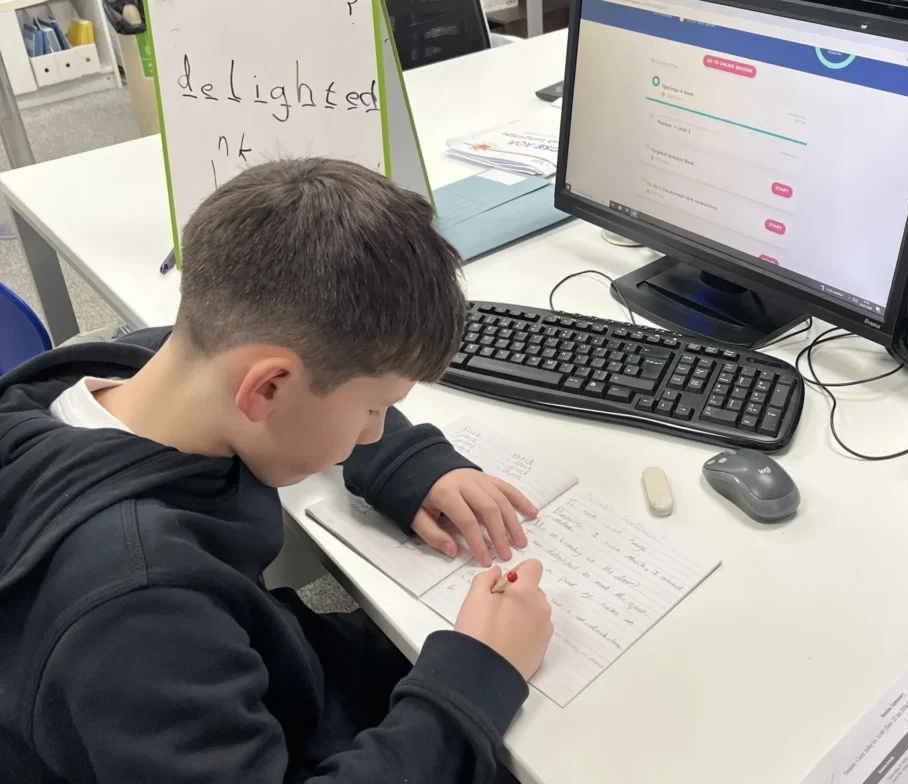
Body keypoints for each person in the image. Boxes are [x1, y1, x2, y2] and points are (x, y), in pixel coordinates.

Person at [0, 158, 554, 783]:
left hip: (241, 683)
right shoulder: (141, 611)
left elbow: (296, 370)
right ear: (266, 390)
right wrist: (477, 675)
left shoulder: (131, 367)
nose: (372, 432)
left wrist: (406, 461)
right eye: (375, 410)